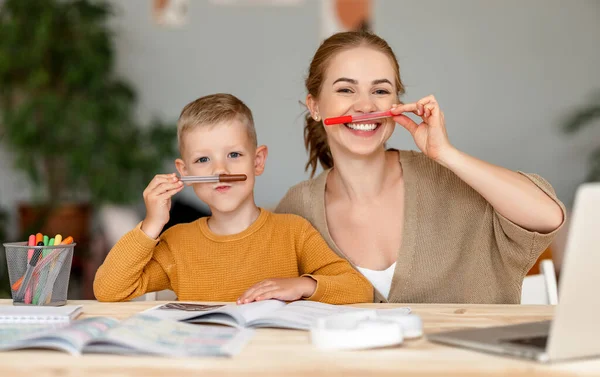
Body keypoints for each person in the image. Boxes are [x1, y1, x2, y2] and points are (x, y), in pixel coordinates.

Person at [275, 32, 566, 304]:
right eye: (346, 89)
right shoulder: (296, 208)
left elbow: (548, 216)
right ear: (314, 106)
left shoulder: (449, 180)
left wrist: (447, 155)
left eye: (380, 90)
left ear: (396, 104)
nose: (365, 106)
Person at [93, 93, 373, 305]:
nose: (220, 171)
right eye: (203, 159)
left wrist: (302, 285)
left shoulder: (294, 232)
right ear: (184, 172)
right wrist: (151, 224)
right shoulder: (176, 243)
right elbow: (108, 290)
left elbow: (358, 289)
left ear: (258, 161)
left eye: (234, 155)